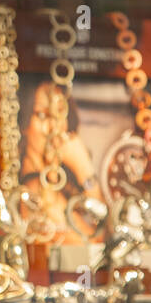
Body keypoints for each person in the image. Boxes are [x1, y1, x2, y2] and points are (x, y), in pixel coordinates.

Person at [18, 81, 104, 244]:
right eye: (42, 115)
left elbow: (101, 224)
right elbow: (93, 246)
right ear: (24, 125)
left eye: (59, 113)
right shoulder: (35, 191)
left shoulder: (57, 187)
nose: (53, 127)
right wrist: (83, 167)